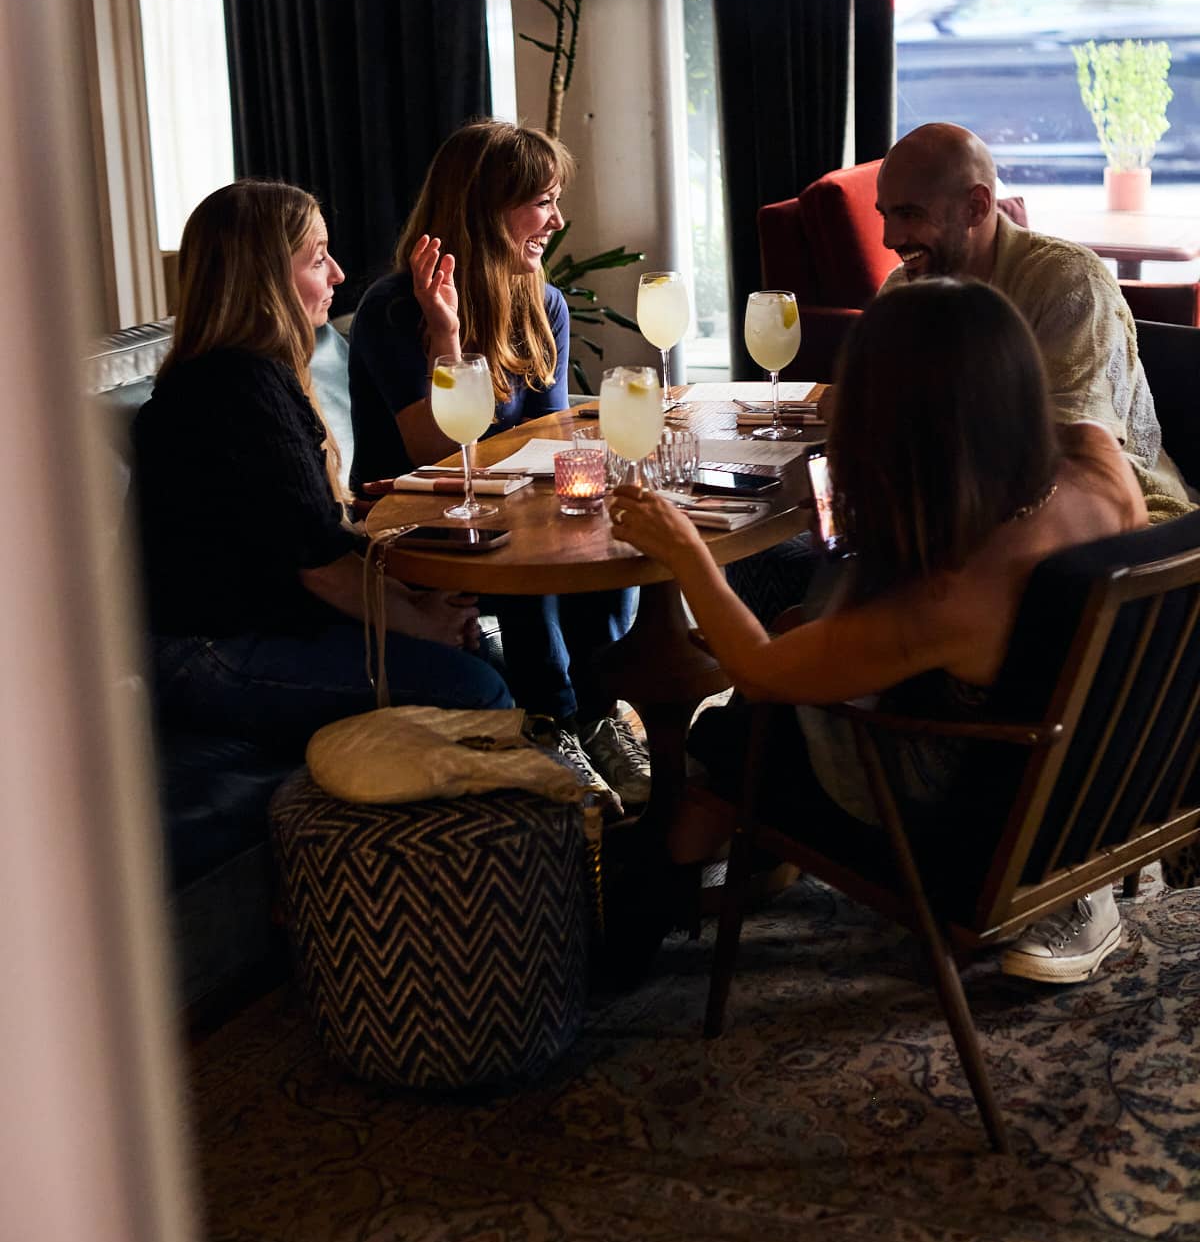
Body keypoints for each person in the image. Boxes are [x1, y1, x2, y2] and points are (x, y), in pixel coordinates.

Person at [610, 278, 1147, 984]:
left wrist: (685, 553)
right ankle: (675, 872)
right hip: (1089, 785)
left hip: (959, 834)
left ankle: (640, 916)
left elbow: (760, 667)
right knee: (793, 640)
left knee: (742, 728)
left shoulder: (950, 596)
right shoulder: (1102, 470)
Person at [134, 180, 512, 748]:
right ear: (262, 277)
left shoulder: (252, 371)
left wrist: (418, 606)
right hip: (208, 649)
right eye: (318, 259)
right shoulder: (233, 385)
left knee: (480, 649)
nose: (337, 274)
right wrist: (421, 621)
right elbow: (318, 562)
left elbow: (305, 538)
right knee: (478, 690)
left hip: (252, 625)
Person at [348, 120, 645, 810]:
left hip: (503, 500)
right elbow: (436, 452)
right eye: (542, 201)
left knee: (601, 525)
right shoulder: (392, 309)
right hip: (414, 519)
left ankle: (597, 714)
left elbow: (549, 429)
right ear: (486, 207)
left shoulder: (545, 303)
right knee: (529, 544)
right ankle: (554, 719)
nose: (557, 219)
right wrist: (446, 337)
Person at [875, 123, 1191, 522]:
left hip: (1125, 524)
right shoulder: (902, 287)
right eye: (885, 215)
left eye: (909, 214)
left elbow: (1069, 454)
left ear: (976, 206)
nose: (889, 238)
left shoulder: (1071, 281)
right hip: (962, 509)